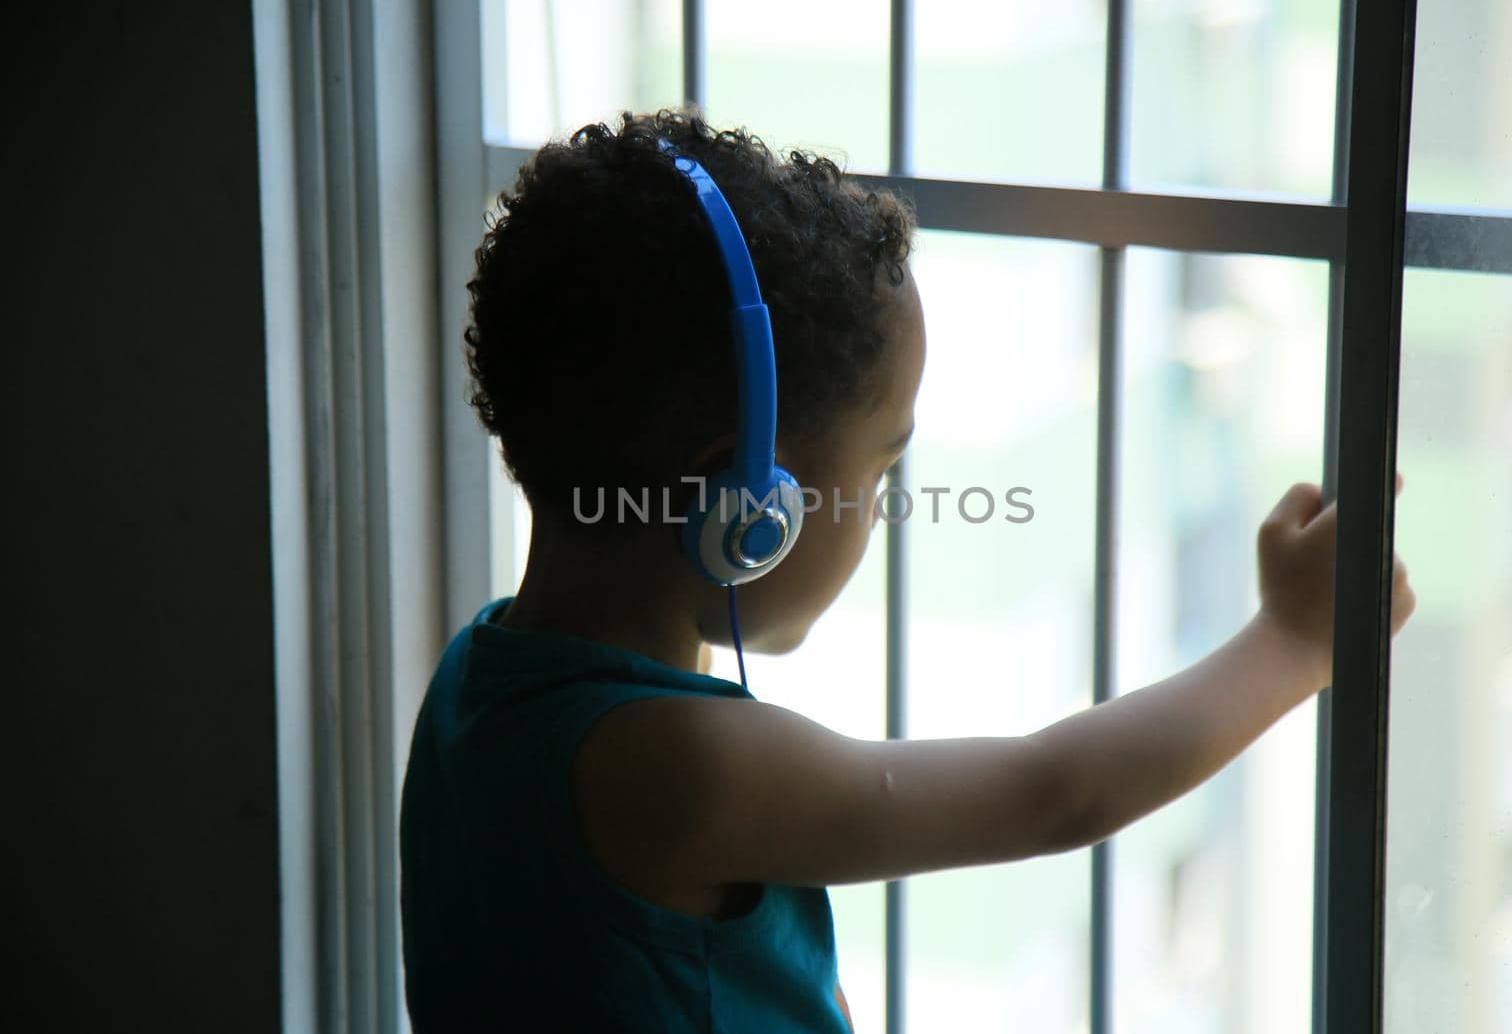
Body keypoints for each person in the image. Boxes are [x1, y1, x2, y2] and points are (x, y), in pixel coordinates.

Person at [397, 105, 1417, 1032]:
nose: (884, 506)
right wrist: (1293, 637)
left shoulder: (475, 679)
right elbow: (1052, 791)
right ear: (747, 511)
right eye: (883, 464)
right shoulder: (680, 766)